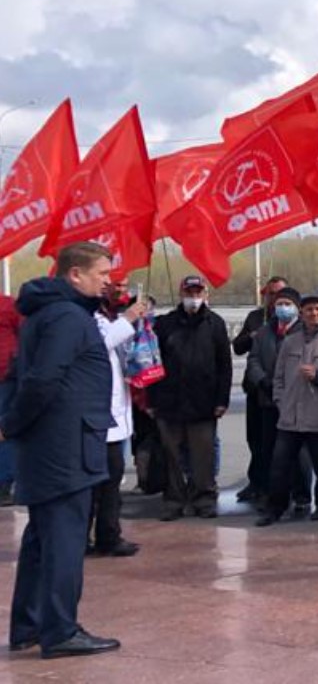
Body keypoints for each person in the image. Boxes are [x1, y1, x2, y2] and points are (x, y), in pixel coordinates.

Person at [3, 242, 122, 658]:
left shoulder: (45, 314)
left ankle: (29, 625)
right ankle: (60, 631)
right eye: (103, 273)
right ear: (75, 274)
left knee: (41, 539)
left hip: (52, 444)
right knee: (65, 541)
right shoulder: (68, 318)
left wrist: (13, 424)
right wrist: (11, 424)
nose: (108, 280)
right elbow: (41, 380)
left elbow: (23, 375)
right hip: (66, 446)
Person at [257, 293, 318, 526]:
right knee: (279, 465)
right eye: (309, 310)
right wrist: (280, 400)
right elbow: (278, 377)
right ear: (302, 313)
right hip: (290, 416)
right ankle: (275, 508)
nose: (314, 314)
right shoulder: (290, 342)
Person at [149, 276, 232, 521]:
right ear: (181, 292)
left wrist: (222, 400)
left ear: (205, 294)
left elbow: (224, 365)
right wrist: (152, 400)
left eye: (198, 292)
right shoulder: (165, 324)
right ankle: (174, 500)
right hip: (169, 400)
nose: (193, 297)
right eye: (189, 292)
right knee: (171, 455)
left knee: (202, 455)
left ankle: (204, 499)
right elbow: (152, 363)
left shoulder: (214, 323)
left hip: (203, 402)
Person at [89, 281, 146, 557]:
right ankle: (82, 536)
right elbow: (102, 343)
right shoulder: (89, 319)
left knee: (112, 483)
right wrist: (128, 318)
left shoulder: (113, 319)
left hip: (117, 417)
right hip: (96, 420)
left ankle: (108, 535)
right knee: (92, 486)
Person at [246, 287, 314, 518]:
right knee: (270, 451)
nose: (282, 308)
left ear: (296, 307)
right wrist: (262, 380)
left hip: (296, 401)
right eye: (278, 303)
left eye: (287, 303)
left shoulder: (305, 332)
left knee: (299, 454)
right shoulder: (265, 331)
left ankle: (302, 496)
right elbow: (253, 359)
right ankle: (273, 496)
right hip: (268, 400)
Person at [230, 276, 288, 504]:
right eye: (271, 294)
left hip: (281, 390)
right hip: (257, 388)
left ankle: (279, 485)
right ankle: (256, 482)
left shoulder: (292, 316)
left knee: (276, 441)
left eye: (280, 294)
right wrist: (252, 336)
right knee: (255, 438)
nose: (275, 299)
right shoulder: (256, 317)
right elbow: (238, 346)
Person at [0, 294, 18, 507]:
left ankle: (3, 481)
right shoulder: (8, 304)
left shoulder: (8, 305)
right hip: (7, 373)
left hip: (6, 375)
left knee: (4, 429)